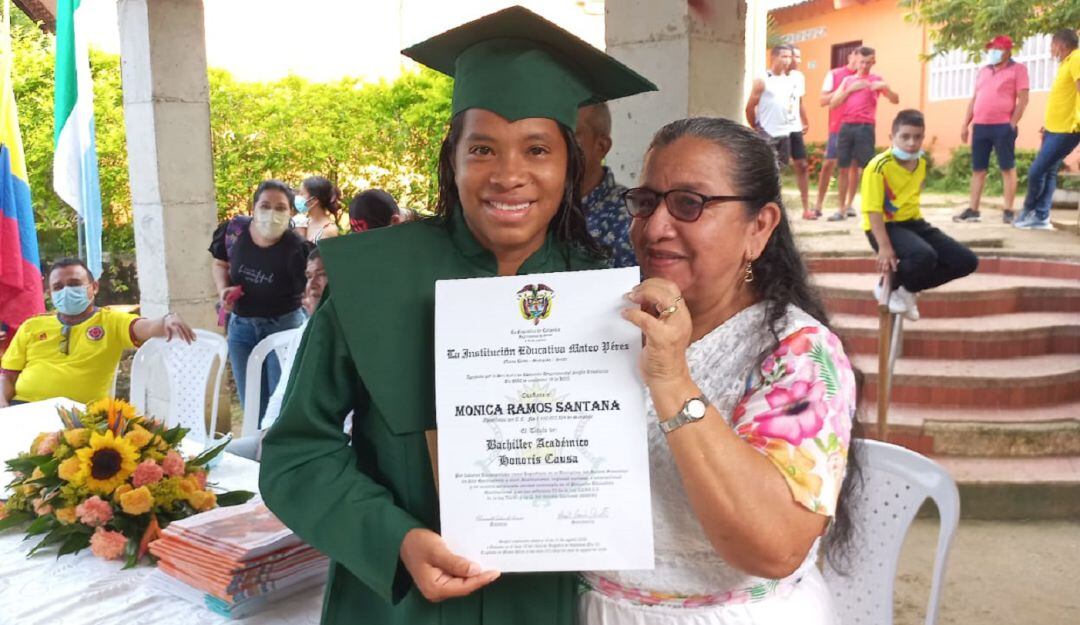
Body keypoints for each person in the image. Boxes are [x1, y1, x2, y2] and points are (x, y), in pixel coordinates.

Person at [258, 6, 656, 625]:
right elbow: (297, 455)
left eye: (537, 149)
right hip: (398, 603)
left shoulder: (601, 293)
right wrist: (394, 539)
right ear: (454, 158)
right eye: (483, 149)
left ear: (569, 163)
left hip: (541, 601)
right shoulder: (373, 279)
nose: (509, 175)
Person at [579, 117, 857, 624]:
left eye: (690, 204)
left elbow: (774, 548)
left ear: (760, 226)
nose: (656, 227)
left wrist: (671, 379)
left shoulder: (798, 354)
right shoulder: (603, 323)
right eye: (646, 202)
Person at [0, 257, 195, 407]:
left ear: (93, 287)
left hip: (80, 420)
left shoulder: (111, 321)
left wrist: (168, 319)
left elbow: (148, 327)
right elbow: (7, 376)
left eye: (74, 284)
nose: (66, 291)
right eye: (58, 287)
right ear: (50, 294)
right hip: (24, 409)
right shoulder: (32, 326)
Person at [863, 110, 978, 321]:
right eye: (905, 137)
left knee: (966, 261)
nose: (911, 143)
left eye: (917, 137)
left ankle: (908, 290)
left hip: (913, 222)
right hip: (883, 225)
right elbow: (873, 210)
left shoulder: (921, 163)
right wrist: (884, 247)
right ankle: (887, 286)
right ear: (892, 138)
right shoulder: (878, 167)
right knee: (924, 255)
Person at [209, 180, 308, 426]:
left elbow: (310, 294)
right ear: (254, 208)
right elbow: (220, 263)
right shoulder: (234, 233)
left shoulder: (297, 249)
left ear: (291, 212)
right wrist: (223, 291)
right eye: (265, 205)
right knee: (251, 403)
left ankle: (273, 453)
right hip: (241, 328)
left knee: (279, 404)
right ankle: (254, 457)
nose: (272, 213)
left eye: (280, 208)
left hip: (283, 327)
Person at [226, 247, 330, 461]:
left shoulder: (355, 333)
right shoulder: (305, 331)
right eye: (309, 276)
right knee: (214, 458)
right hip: (286, 438)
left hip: (323, 447)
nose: (312, 285)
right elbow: (282, 392)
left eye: (323, 274)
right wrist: (267, 435)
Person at [954, 35, 1030, 224]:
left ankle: (1009, 209)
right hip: (980, 126)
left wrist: (1012, 122)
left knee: (1007, 167)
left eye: (997, 49)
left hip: (1002, 126)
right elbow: (974, 98)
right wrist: (965, 123)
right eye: (991, 49)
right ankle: (973, 209)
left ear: (1007, 51)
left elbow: (1023, 99)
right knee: (978, 169)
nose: (993, 52)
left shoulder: (1018, 69)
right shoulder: (983, 71)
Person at [1015, 29, 1080, 231]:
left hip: (1067, 129)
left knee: (1036, 171)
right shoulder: (1065, 63)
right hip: (1054, 128)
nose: (1051, 50)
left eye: (1052, 45)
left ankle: (1029, 211)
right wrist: (1048, 125)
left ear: (1060, 44)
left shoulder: (1077, 58)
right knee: (1049, 172)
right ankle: (1041, 217)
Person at [828, 46, 899, 222]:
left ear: (873, 61)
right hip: (846, 126)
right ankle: (841, 208)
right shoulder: (847, 80)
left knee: (866, 169)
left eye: (868, 62)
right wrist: (850, 90)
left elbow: (895, 99)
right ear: (856, 61)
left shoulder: (877, 80)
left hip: (865, 127)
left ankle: (859, 205)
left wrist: (886, 88)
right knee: (843, 167)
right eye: (862, 62)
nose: (865, 66)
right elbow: (833, 104)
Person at [746, 46, 809, 213]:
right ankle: (757, 204)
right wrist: (756, 126)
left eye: (789, 57)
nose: (787, 60)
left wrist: (803, 121)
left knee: (780, 169)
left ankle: (775, 205)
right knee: (764, 169)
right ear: (773, 57)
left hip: (785, 131)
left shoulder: (791, 80)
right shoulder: (763, 80)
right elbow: (750, 107)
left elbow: (796, 103)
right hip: (767, 132)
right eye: (784, 56)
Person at [576, 102, 636, 267]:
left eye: (571, 136)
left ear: (601, 146)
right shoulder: (529, 207)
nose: (559, 145)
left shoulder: (631, 218)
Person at [816, 48, 859, 217]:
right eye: (856, 56)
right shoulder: (834, 74)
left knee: (853, 167)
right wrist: (843, 90)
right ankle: (818, 205)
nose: (858, 61)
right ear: (850, 57)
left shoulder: (866, 79)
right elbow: (822, 100)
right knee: (828, 164)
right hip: (837, 127)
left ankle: (849, 205)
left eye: (862, 58)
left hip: (857, 127)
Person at [788, 46, 812, 219]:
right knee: (776, 167)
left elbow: (799, 101)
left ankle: (806, 208)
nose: (798, 60)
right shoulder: (769, 78)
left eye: (799, 56)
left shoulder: (799, 77)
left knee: (802, 166)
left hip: (795, 127)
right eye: (795, 56)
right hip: (776, 129)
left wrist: (805, 119)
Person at [294, 175, 342, 244]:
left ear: (314, 200)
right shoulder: (305, 223)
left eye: (302, 194)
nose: (298, 197)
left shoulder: (328, 230)